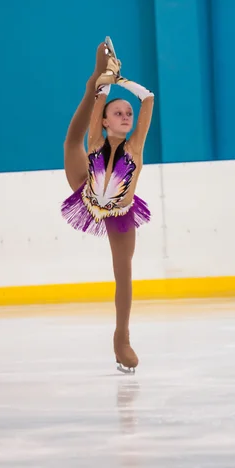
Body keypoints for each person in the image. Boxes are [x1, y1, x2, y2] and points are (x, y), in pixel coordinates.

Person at [61, 39, 154, 373]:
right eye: (118, 112)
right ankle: (91, 82)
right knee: (71, 142)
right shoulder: (96, 139)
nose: (125, 116)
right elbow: (95, 114)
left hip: (120, 212)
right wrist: (101, 82)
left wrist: (121, 81)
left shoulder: (136, 148)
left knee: (123, 272)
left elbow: (148, 100)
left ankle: (122, 339)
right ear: (104, 121)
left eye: (128, 113)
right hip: (86, 190)